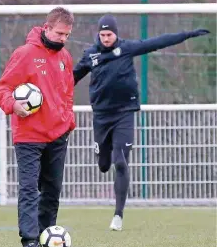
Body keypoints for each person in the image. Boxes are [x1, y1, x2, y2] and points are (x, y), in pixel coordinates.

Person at [73, 14, 210, 231]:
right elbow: (72, 78)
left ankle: (118, 215)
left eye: (109, 34)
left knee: (120, 161)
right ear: (98, 35)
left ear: (116, 34)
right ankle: (101, 153)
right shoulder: (91, 55)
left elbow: (157, 42)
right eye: (103, 34)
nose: (106, 38)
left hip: (125, 112)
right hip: (101, 115)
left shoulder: (127, 48)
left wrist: (187, 34)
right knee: (104, 165)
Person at [0, 7, 75, 247]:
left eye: (67, 35)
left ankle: (47, 235)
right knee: (29, 188)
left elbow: (68, 94)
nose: (63, 38)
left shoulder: (65, 58)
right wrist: (12, 105)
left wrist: (68, 120)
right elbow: (1, 89)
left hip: (58, 134)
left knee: (52, 189)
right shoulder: (25, 54)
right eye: (60, 33)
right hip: (29, 135)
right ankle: (29, 241)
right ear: (47, 28)